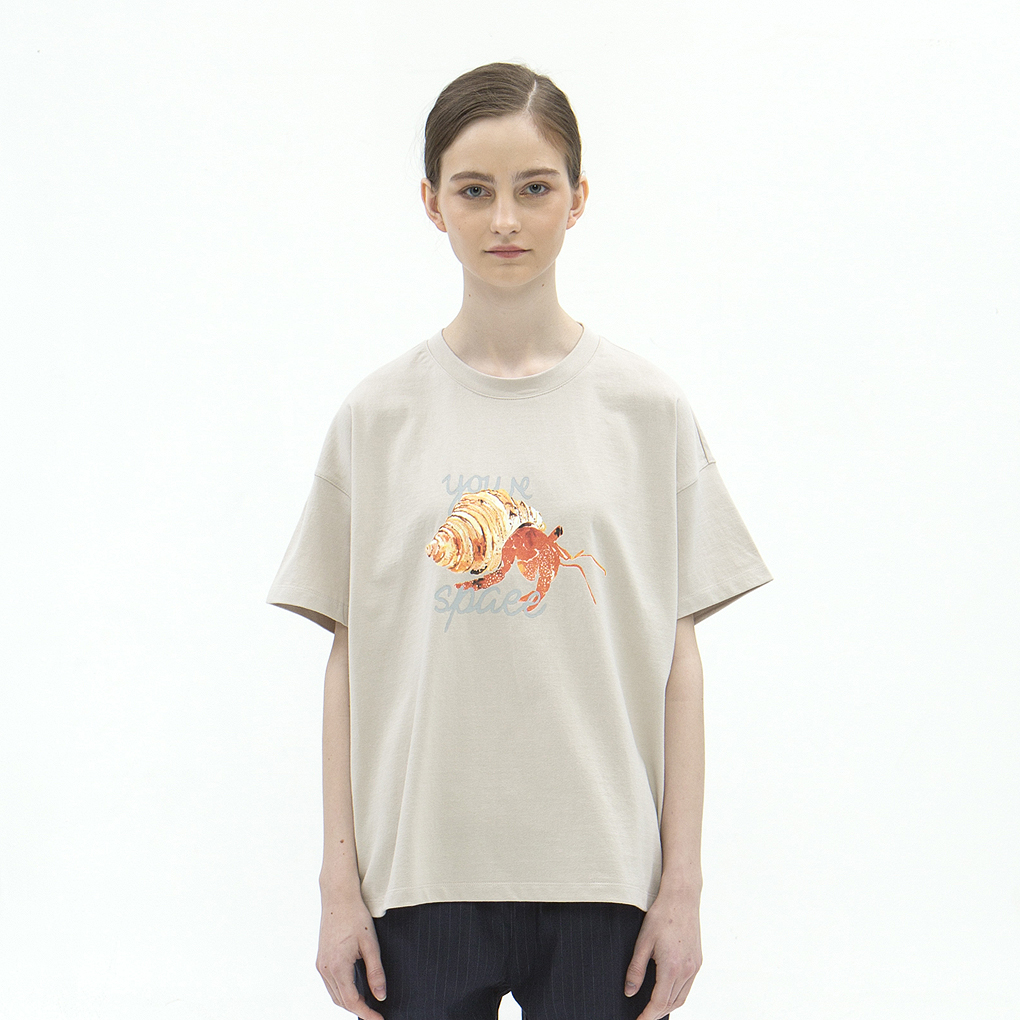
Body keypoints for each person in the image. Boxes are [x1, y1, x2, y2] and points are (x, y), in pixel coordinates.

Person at [266, 62, 773, 1020]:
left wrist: (683, 889)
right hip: (417, 878)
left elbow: (679, 665)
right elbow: (348, 661)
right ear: (432, 203)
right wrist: (338, 892)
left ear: (578, 199)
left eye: (534, 188)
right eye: (474, 190)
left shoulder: (648, 411)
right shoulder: (376, 418)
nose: (505, 218)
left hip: (603, 880)